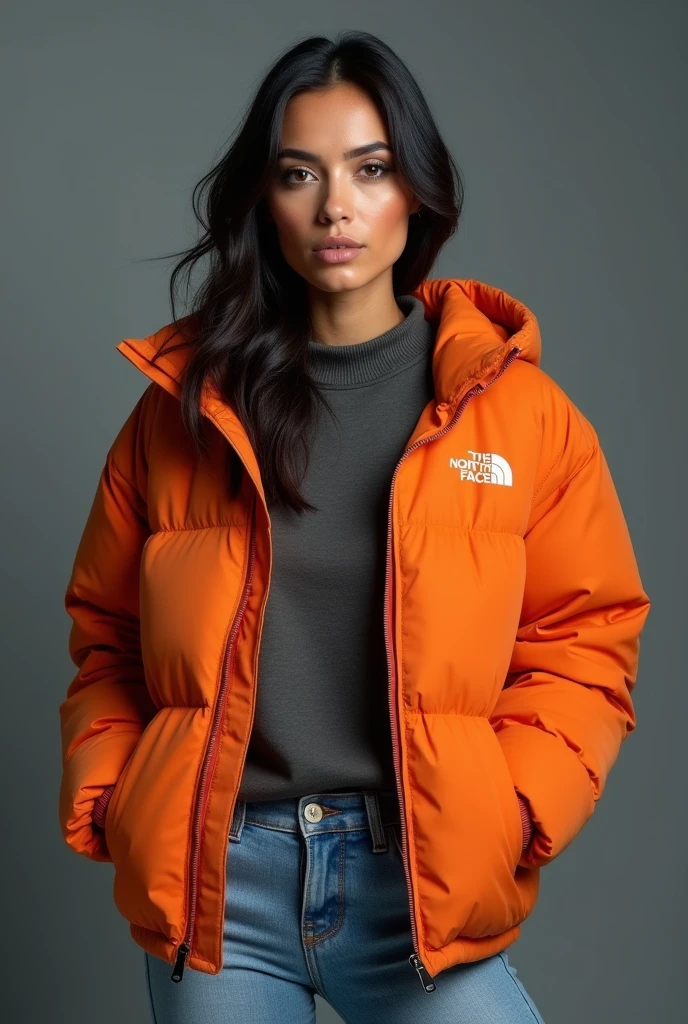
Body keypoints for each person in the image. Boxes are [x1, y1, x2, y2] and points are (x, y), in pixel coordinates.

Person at [57, 29, 651, 1024]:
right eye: (300, 173)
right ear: (264, 197)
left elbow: (585, 640)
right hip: (221, 888)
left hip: (415, 874)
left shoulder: (524, 419)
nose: (336, 207)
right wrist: (125, 801)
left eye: (369, 169)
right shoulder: (182, 414)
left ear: (413, 189)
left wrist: (510, 810)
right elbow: (105, 639)